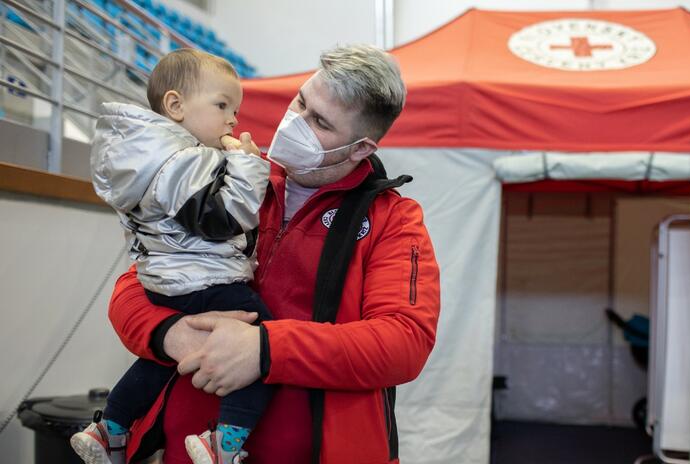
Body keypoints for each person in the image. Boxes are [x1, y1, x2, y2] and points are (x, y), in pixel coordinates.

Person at [106, 44, 441, 464]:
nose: (295, 121)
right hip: (187, 447)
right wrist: (170, 332)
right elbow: (134, 287)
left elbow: (403, 342)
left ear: (360, 149)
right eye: (301, 100)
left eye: (319, 121)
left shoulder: (394, 220)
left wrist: (264, 350)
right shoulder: (234, 181)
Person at [71, 49, 276, 464]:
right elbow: (222, 219)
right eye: (222, 106)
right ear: (175, 105)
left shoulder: (148, 155)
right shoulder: (180, 160)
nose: (233, 120)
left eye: (235, 110)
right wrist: (248, 167)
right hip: (204, 280)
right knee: (264, 344)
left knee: (163, 360)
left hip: (168, 283)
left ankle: (111, 427)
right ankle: (225, 442)